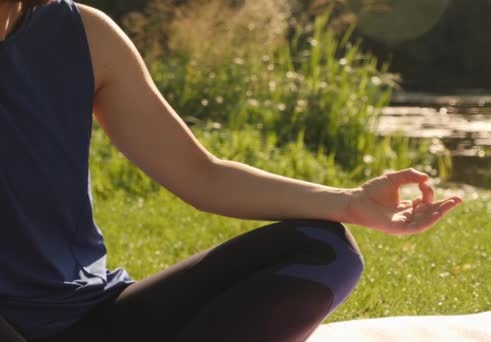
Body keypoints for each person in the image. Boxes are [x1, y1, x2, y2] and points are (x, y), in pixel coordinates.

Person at [0, 0, 463, 341]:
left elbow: (201, 174)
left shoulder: (83, 33)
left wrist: (349, 202)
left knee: (324, 250)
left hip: (89, 316)